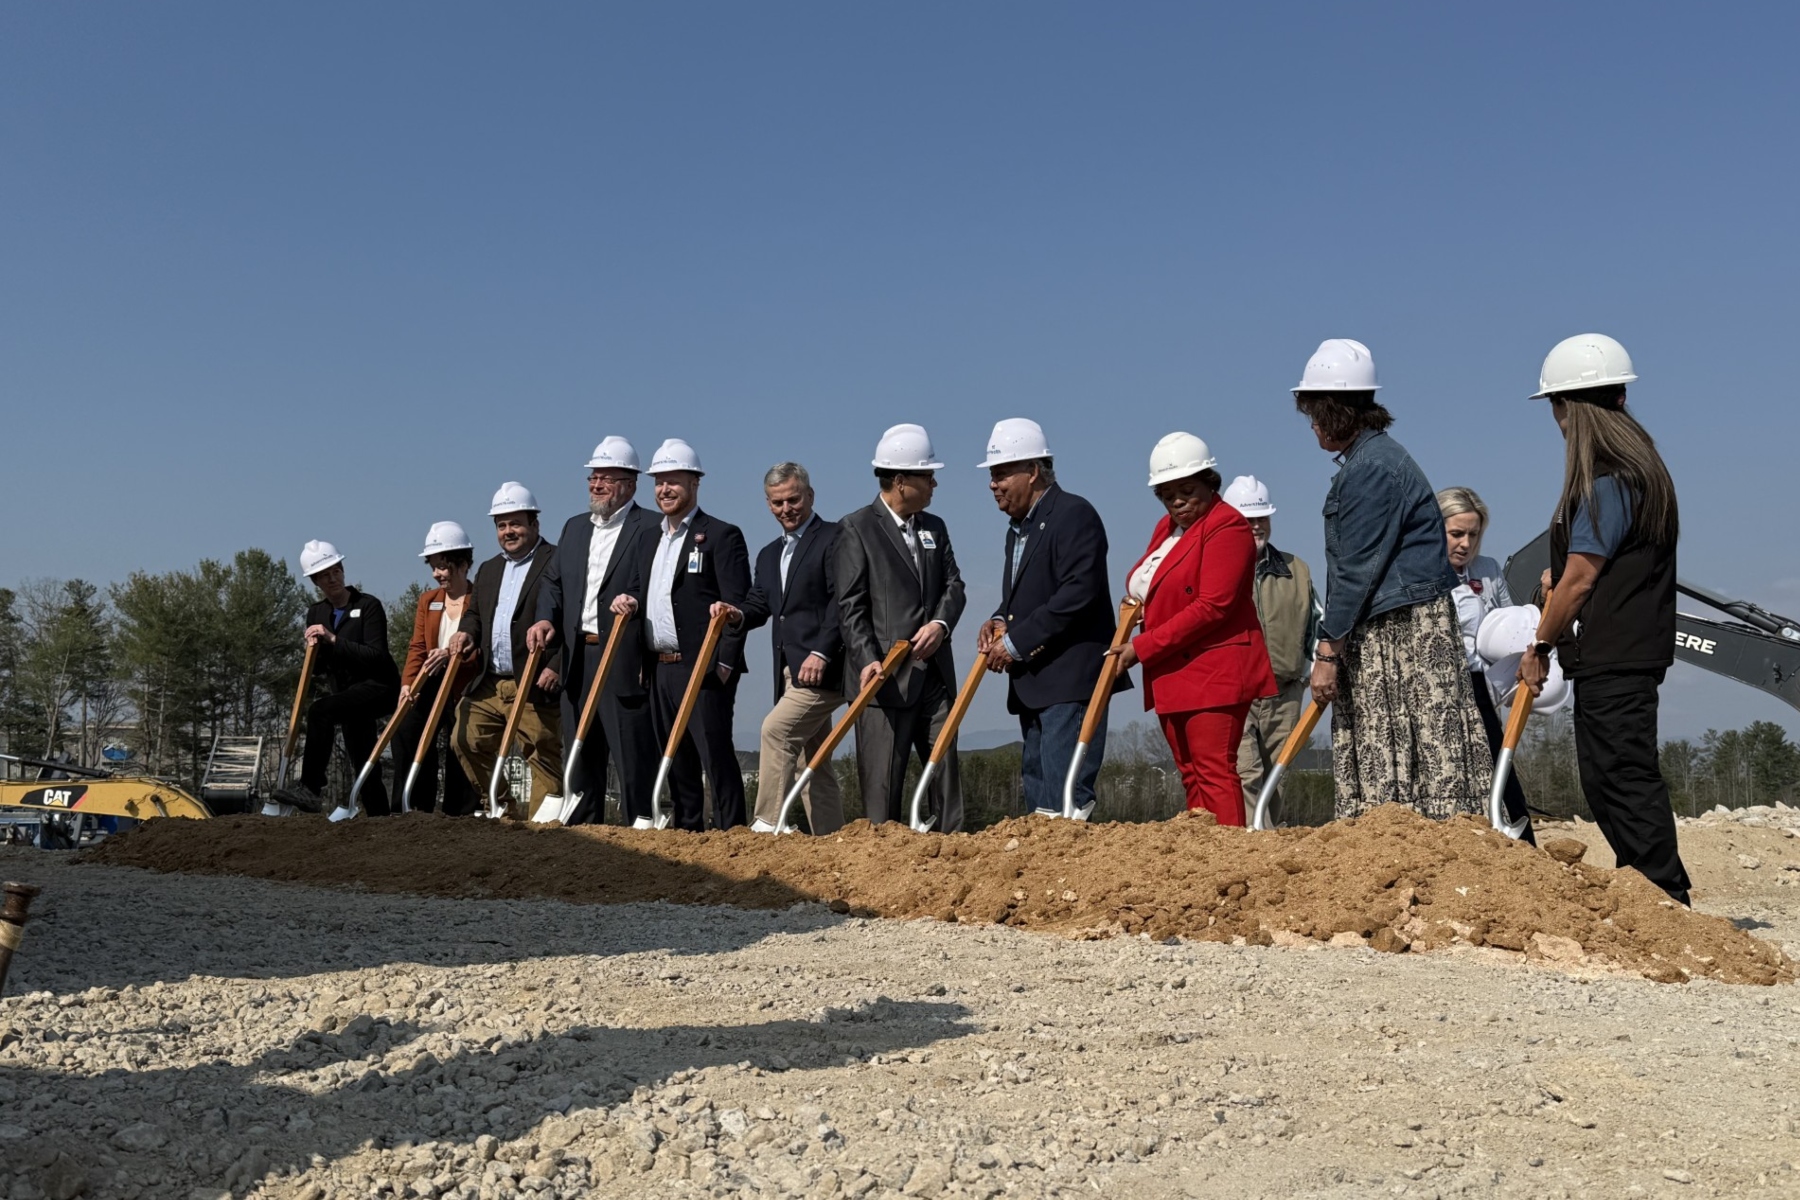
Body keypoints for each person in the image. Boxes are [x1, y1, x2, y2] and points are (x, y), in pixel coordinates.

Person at [1517, 333, 1689, 903]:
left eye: (1556, 408)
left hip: (1616, 655)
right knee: (1608, 776)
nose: (1557, 422)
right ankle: (1645, 893)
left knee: (1623, 777)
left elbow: (1583, 577)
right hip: (1625, 651)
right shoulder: (1641, 471)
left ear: (1572, 408)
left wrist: (1539, 643)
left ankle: (1664, 897)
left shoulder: (1608, 480)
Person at [1292, 338, 1492, 820]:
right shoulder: (1373, 460)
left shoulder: (1372, 470)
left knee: (1408, 740)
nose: (1313, 426)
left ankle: (1410, 840)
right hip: (1395, 620)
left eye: (1316, 413)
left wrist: (1327, 652)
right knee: (1410, 738)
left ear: (1337, 410)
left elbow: (1356, 570)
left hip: (1401, 629)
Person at [1110, 434, 1275, 824]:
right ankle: (1202, 862)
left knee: (1214, 770)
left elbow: (1212, 606)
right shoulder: (1166, 529)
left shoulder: (1228, 527)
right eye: (1168, 495)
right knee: (1191, 774)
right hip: (1173, 668)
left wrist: (1142, 646)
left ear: (1210, 482)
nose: (1178, 502)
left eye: (1187, 490)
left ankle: (1229, 861)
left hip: (1212, 669)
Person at [973, 419, 1121, 820]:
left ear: (1033, 470)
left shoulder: (1074, 515)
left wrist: (1015, 643)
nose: (993, 484)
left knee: (1064, 800)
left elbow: (1077, 593)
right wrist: (1001, 618)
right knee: (1040, 800)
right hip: (1035, 682)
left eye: (1001, 473)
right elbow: (1027, 596)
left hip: (1069, 680)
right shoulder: (1016, 531)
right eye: (991, 475)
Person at [834, 424, 967, 830]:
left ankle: (953, 851)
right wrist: (869, 659)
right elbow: (851, 606)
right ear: (899, 481)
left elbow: (954, 584)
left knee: (944, 773)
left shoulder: (935, 527)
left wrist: (941, 624)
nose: (934, 484)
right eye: (927, 476)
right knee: (881, 793)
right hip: (884, 682)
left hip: (934, 678)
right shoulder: (856, 528)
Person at [617, 439, 753, 831]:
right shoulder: (648, 538)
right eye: (659, 482)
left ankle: (732, 835)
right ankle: (686, 833)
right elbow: (642, 589)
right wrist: (629, 599)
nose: (664, 490)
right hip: (660, 666)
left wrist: (724, 663)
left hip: (705, 667)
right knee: (674, 757)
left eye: (673, 481)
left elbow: (736, 605)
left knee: (715, 755)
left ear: (695, 483)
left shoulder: (722, 536)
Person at [527, 437, 660, 826]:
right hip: (577, 657)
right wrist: (545, 617)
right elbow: (553, 582)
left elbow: (655, 581)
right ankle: (585, 833)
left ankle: (641, 826)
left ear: (630, 484)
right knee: (581, 751)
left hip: (622, 653)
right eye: (593, 477)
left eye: (607, 478)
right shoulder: (573, 528)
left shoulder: (650, 527)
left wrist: (633, 599)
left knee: (631, 751)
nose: (596, 485)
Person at [737, 463, 846, 834]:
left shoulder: (834, 538)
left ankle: (767, 822)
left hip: (824, 669)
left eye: (793, 499)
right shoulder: (769, 555)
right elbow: (760, 605)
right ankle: (831, 840)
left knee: (775, 731)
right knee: (811, 760)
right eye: (777, 502)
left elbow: (840, 602)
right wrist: (734, 614)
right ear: (768, 504)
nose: (786, 509)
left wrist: (822, 651)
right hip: (787, 670)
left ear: (810, 496)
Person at [449, 482, 563, 819]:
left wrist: (555, 664)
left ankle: (545, 832)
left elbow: (571, 619)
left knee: (542, 752)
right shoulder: (489, 569)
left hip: (533, 679)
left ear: (534, 524)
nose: (508, 532)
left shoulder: (556, 562)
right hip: (490, 680)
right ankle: (502, 807)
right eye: (501, 525)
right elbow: (473, 614)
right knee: (464, 739)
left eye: (516, 523)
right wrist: (466, 634)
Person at [274, 540, 401, 816]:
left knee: (321, 711)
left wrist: (333, 639)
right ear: (315, 581)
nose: (332, 578)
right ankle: (380, 816)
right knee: (362, 755)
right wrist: (312, 648)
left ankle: (310, 788)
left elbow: (377, 656)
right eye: (324, 575)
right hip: (348, 694)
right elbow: (319, 669)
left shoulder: (368, 606)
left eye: (335, 571)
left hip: (380, 687)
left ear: (343, 571)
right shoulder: (316, 613)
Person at [1437, 486, 1535, 843]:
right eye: (1456, 534)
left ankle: (1522, 845)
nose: (1465, 543)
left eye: (1473, 535)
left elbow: (1510, 621)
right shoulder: (1418, 573)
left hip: (1481, 685)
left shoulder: (1489, 570)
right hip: (1440, 687)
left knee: (1500, 764)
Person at [1222, 475, 1321, 826]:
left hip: (1285, 689)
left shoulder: (1297, 569)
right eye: (1246, 519)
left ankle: (1269, 836)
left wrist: (1312, 668)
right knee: (1245, 771)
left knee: (1280, 771)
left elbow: (1316, 621)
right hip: (1237, 691)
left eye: (1261, 518)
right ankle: (1252, 841)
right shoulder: (1216, 568)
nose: (1255, 526)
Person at [391, 522, 480, 815]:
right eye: (433, 567)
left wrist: (453, 656)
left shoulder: (480, 600)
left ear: (463, 564)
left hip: (465, 682)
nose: (437, 574)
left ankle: (460, 810)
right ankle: (415, 805)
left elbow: (484, 649)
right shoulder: (428, 601)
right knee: (407, 728)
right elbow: (417, 647)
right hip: (430, 680)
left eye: (443, 567)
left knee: (461, 736)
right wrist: (407, 684)